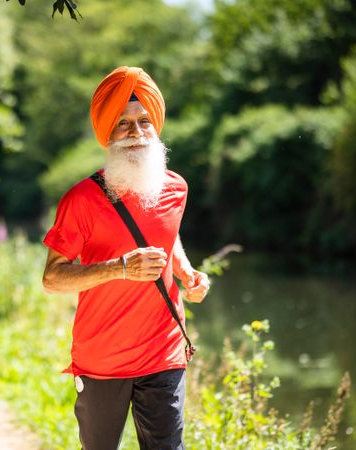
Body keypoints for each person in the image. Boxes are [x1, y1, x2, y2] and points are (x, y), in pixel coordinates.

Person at [41, 66, 211, 450]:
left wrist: (186, 271)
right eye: (123, 124)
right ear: (107, 133)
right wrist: (119, 268)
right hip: (102, 357)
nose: (136, 133)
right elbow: (52, 278)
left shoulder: (175, 188)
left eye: (144, 122)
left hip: (163, 350)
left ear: (157, 127)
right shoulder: (80, 200)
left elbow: (167, 234)